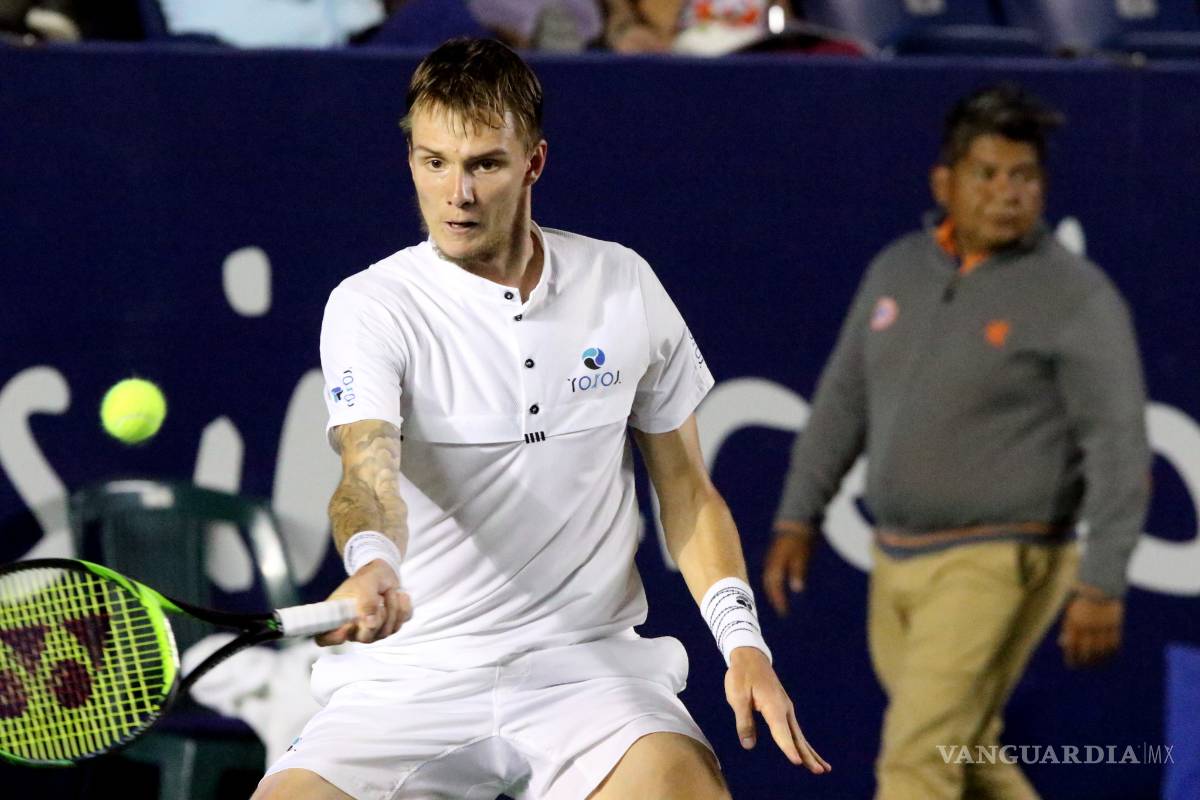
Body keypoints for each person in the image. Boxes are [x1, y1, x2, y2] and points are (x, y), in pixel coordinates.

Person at [254, 37, 829, 800]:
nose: (456, 193)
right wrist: (372, 562)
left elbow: (688, 492)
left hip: (586, 671)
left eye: (484, 164)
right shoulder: (371, 305)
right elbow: (367, 473)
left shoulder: (622, 283)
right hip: (413, 674)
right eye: (433, 163)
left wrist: (743, 644)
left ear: (534, 162)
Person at [763, 83, 1150, 800]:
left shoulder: (1075, 296)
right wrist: (797, 514)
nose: (1008, 193)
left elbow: (1120, 446)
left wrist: (1102, 582)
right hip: (898, 558)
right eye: (988, 174)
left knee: (916, 762)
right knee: (959, 749)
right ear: (946, 182)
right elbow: (842, 402)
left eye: (1024, 177)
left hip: (1000, 559)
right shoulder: (897, 269)